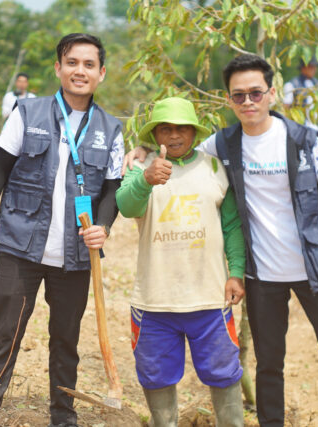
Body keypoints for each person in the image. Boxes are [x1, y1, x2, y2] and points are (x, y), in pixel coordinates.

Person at [124, 54, 318, 427]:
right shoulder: (222, 145)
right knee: (269, 361)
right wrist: (143, 152)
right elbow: (177, 148)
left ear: (272, 94)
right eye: (239, 95)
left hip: (314, 268)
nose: (248, 102)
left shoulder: (303, 140)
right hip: (263, 275)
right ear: (229, 100)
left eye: (256, 93)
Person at [0, 33, 125, 427]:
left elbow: (112, 189)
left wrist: (103, 226)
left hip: (76, 257)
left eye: (89, 65)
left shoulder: (112, 128)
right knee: (5, 336)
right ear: (58, 68)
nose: (80, 71)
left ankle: (63, 416)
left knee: (66, 342)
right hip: (22, 247)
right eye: (72, 62)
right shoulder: (27, 112)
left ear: (101, 73)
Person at [116, 97, 246, 427]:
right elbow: (127, 207)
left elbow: (231, 225)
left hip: (210, 297)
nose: (174, 136)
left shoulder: (213, 167)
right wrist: (146, 179)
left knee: (224, 373)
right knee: (156, 376)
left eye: (182, 129)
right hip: (155, 302)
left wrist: (237, 272)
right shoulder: (138, 169)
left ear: (194, 131)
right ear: (155, 134)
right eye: (166, 129)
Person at [283, 57, 318, 141]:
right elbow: (286, 109)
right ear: (303, 67)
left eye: (314, 67)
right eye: (311, 67)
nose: (314, 69)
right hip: (299, 130)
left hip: (316, 130)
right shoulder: (292, 85)